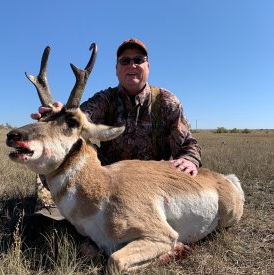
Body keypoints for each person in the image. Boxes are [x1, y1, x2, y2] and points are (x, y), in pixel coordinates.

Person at [31, 38, 202, 217]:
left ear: (148, 66)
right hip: (107, 179)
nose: (132, 65)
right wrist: (59, 116)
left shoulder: (166, 102)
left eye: (138, 60)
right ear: (117, 69)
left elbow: (188, 143)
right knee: (55, 152)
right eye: (125, 61)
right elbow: (81, 117)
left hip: (152, 181)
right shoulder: (106, 99)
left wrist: (190, 159)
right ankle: (52, 210)